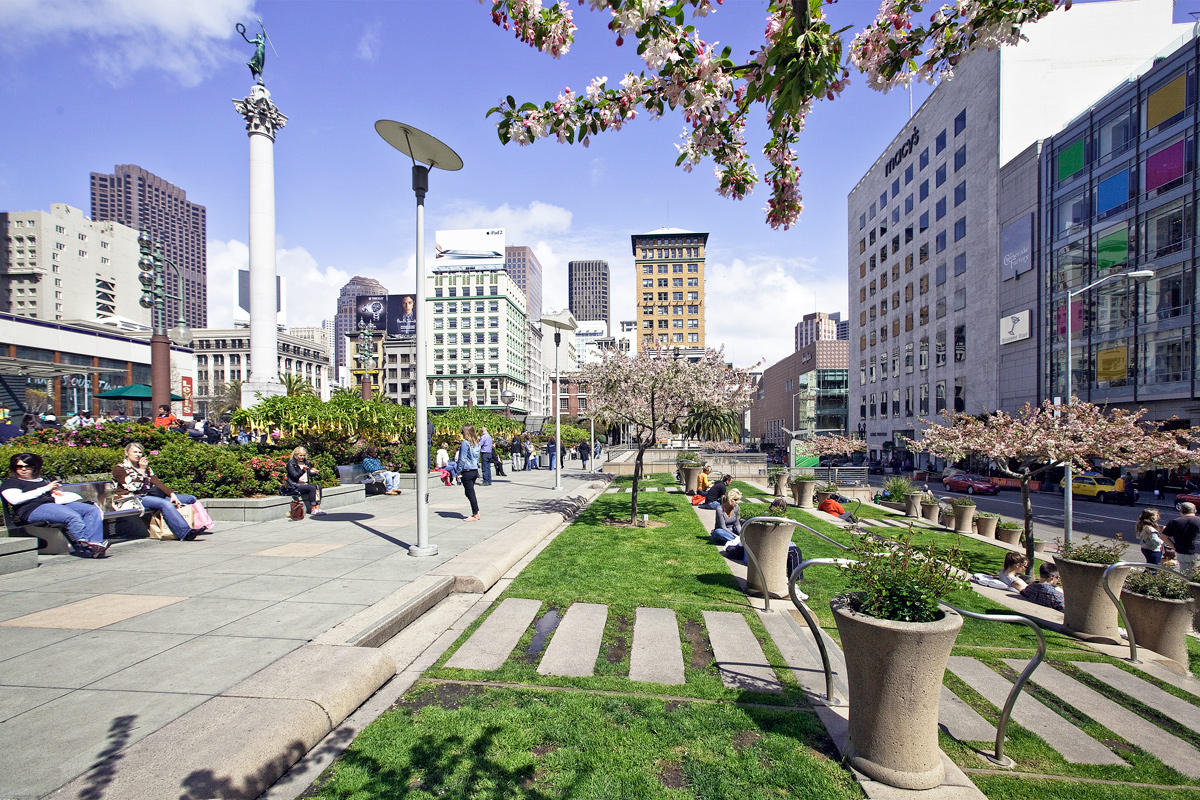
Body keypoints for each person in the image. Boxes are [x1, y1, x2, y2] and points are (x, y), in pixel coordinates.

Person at [2, 452, 108, 557]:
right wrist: (44, 489)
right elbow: (14, 500)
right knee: (71, 516)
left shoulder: (42, 480)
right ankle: (88, 545)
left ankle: (95, 543)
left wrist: (55, 490)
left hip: (54, 504)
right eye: (19, 467)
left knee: (91, 510)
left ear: (34, 467)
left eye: (27, 466)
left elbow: (51, 495)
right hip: (32, 509)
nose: (23, 469)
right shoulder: (11, 482)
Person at [112, 442, 205, 540]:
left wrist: (171, 493)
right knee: (165, 504)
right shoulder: (120, 469)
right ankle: (185, 533)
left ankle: (203, 524)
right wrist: (142, 471)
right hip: (132, 499)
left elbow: (157, 482)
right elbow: (134, 488)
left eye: (140, 452)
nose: (138, 455)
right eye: (134, 452)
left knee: (190, 498)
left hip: (149, 495)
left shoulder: (145, 467)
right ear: (126, 453)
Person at [1162, 502, 1198, 575]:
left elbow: (1163, 537)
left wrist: (1174, 547)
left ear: (1181, 511)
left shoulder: (1174, 522)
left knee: (1184, 575)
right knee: (1196, 576)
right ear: (1195, 511)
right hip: (1197, 552)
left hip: (1182, 552)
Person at [285, 447, 324, 516]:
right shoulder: (291, 463)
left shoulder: (306, 462)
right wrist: (303, 470)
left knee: (318, 487)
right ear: (296, 455)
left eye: (303, 455)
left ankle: (317, 508)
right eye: (300, 455)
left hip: (305, 484)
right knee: (312, 488)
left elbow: (309, 474)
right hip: (295, 485)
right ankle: (313, 508)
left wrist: (314, 472)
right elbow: (294, 476)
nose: (302, 457)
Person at [457, 425, 482, 521]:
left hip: (467, 470)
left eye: (462, 432)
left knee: (470, 493)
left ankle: (476, 513)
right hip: (474, 470)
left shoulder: (465, 443)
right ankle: (476, 512)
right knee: (469, 492)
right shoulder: (476, 443)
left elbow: (462, 458)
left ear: (466, 433)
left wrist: (458, 471)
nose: (461, 434)